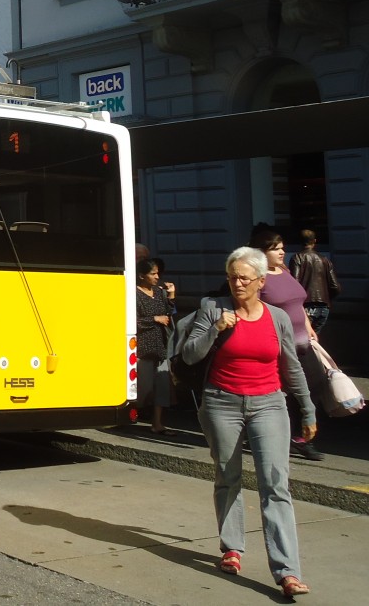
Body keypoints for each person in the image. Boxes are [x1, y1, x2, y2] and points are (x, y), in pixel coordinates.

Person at [183, 246, 315, 597]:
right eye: (232, 276)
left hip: (269, 405)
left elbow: (291, 365)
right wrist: (216, 330)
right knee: (228, 476)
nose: (237, 282)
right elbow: (189, 354)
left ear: (260, 281)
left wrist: (307, 408)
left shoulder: (277, 318)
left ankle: (287, 571)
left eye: (244, 277)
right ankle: (232, 548)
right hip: (221, 404)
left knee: (276, 485)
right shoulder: (213, 310)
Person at [250, 224, 321, 461]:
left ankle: (298, 435)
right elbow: (254, 309)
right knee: (285, 392)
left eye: (282, 248)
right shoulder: (258, 277)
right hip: (280, 344)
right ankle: (291, 438)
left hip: (303, 341)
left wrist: (309, 327)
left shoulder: (284, 271)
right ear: (261, 252)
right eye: (276, 249)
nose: (282, 253)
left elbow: (297, 302)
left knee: (316, 382)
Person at [134, 259, 175, 434]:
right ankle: (131, 413)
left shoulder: (159, 292)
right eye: (153, 273)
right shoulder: (133, 294)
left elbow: (168, 313)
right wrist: (154, 320)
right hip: (143, 347)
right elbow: (130, 322)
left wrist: (171, 296)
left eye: (158, 273)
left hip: (161, 345)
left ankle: (157, 423)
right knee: (145, 387)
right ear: (142, 275)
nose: (157, 277)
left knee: (162, 387)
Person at [289, 230, 339, 336]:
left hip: (306, 306)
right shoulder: (325, 260)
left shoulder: (297, 258)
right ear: (314, 241)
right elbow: (335, 287)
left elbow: (294, 283)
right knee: (313, 340)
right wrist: (327, 299)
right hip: (324, 307)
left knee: (303, 340)